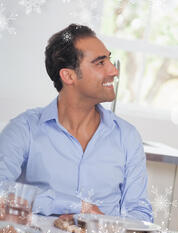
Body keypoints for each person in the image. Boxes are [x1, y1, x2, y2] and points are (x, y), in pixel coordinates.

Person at [0, 24, 153, 222]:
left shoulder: (127, 136)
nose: (114, 71)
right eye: (100, 63)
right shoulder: (24, 129)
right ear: (69, 76)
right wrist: (76, 206)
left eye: (109, 59)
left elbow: (139, 212)